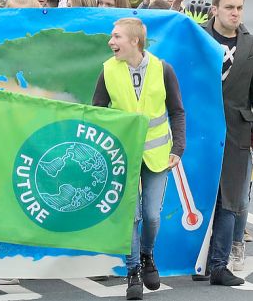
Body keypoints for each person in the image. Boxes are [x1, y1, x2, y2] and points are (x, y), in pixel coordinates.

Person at [92, 18, 186, 300]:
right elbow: (98, 110)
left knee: (152, 216)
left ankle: (147, 255)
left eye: (116, 37)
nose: (111, 42)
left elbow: (177, 111)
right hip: (123, 154)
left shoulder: (162, 69)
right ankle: (132, 270)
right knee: (131, 217)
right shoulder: (107, 70)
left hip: (157, 153)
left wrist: (178, 147)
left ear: (135, 41)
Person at [202, 0, 253, 286]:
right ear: (215, 9)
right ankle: (199, 261)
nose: (235, 13)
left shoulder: (251, 45)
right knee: (198, 196)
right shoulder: (198, 36)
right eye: (229, 7)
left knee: (229, 199)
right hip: (200, 129)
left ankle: (219, 265)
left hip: (237, 129)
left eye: (239, 8)